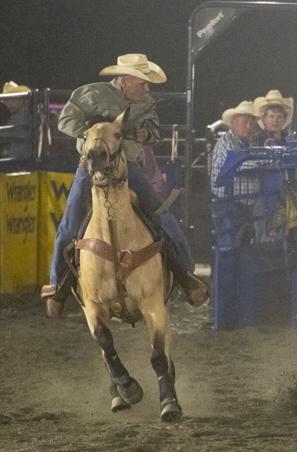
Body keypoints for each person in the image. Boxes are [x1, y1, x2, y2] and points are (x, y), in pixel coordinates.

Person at [41, 53, 208, 317]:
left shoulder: (146, 104)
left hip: (128, 166)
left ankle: (186, 275)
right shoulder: (90, 94)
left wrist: (145, 134)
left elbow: (154, 131)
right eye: (143, 82)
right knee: (71, 220)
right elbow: (65, 122)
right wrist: (95, 126)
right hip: (92, 163)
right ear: (128, 79)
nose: (147, 88)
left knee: (161, 213)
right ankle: (58, 284)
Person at [209, 100, 267, 243]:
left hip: (247, 205)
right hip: (228, 204)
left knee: (242, 246)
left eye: (251, 122)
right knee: (228, 246)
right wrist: (261, 163)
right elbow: (239, 165)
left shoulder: (251, 143)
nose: (248, 126)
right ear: (234, 123)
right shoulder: (225, 142)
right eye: (244, 122)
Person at [0, 81, 32, 160]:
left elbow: (8, 133)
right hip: (22, 157)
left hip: (20, 160)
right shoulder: (24, 111)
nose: (6, 104)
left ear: (19, 99)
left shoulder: (22, 115)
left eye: (8, 100)